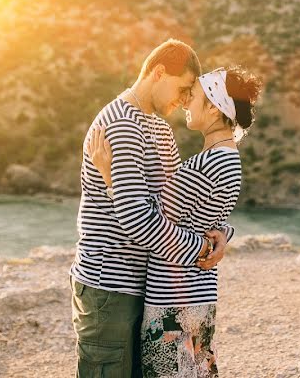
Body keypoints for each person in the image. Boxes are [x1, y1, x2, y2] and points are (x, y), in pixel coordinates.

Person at [70, 39, 232, 378]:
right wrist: (202, 247)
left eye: (192, 93)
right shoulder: (121, 125)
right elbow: (138, 220)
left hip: (144, 285)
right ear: (158, 73)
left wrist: (221, 235)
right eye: (184, 87)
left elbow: (177, 207)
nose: (187, 99)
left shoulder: (160, 128)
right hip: (109, 285)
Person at [88, 65, 262, 378]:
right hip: (198, 292)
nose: (185, 102)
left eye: (192, 96)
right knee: (195, 371)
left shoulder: (206, 163)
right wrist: (221, 235)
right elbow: (207, 216)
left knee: (169, 372)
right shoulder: (228, 158)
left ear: (213, 107)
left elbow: (146, 217)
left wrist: (109, 176)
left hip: (174, 298)